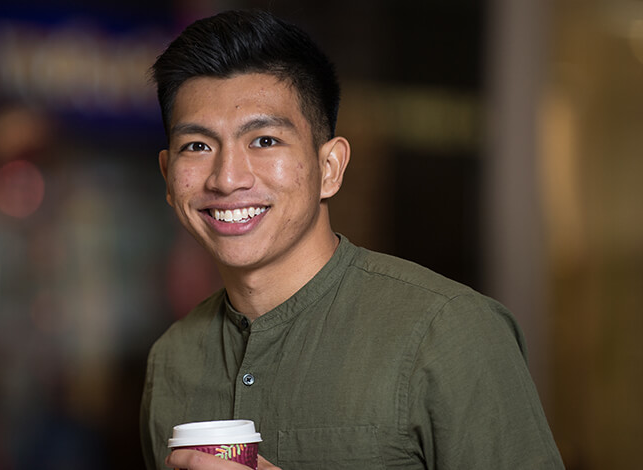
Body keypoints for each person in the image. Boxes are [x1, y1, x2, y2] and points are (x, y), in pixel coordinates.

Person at [140, 9, 564, 470]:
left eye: (264, 141)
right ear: (168, 175)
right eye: (197, 146)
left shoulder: (449, 332)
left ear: (330, 168)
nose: (226, 178)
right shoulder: (170, 360)